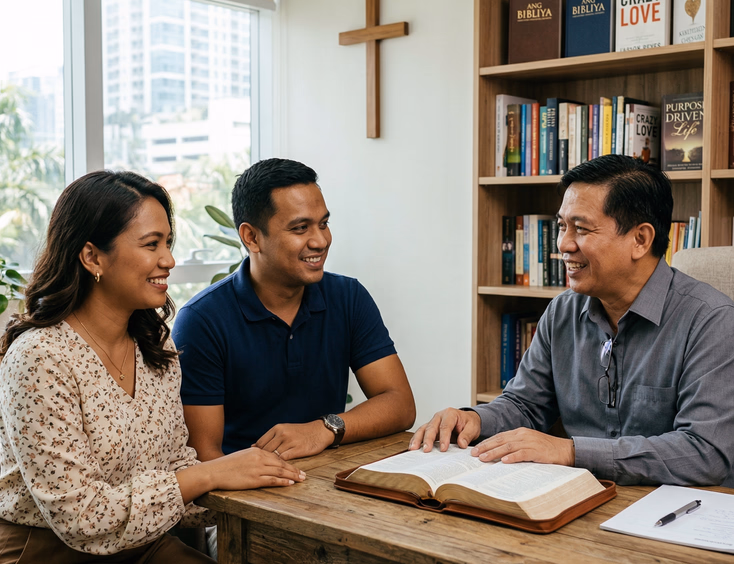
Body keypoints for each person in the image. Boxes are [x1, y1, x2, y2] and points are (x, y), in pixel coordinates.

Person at [0, 171, 305, 563]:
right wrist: (211, 474)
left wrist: (260, 482)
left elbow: (176, 464)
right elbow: (79, 517)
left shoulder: (155, 343)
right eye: (151, 245)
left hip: (143, 544)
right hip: (48, 551)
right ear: (92, 256)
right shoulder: (40, 357)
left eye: (168, 242)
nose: (169, 260)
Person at [410, 154, 734, 487]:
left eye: (581, 229)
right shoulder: (563, 311)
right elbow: (525, 404)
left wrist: (570, 452)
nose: (563, 244)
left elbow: (705, 453)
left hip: (674, 513)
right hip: (576, 499)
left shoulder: (712, 322)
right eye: (562, 226)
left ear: (640, 239)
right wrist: (474, 419)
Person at [172, 158, 415, 462]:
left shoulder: (349, 297)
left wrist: (324, 429)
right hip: (245, 494)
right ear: (251, 237)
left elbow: (400, 404)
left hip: (330, 481)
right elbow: (205, 456)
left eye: (323, 224)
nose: (321, 240)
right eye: (301, 228)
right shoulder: (202, 320)